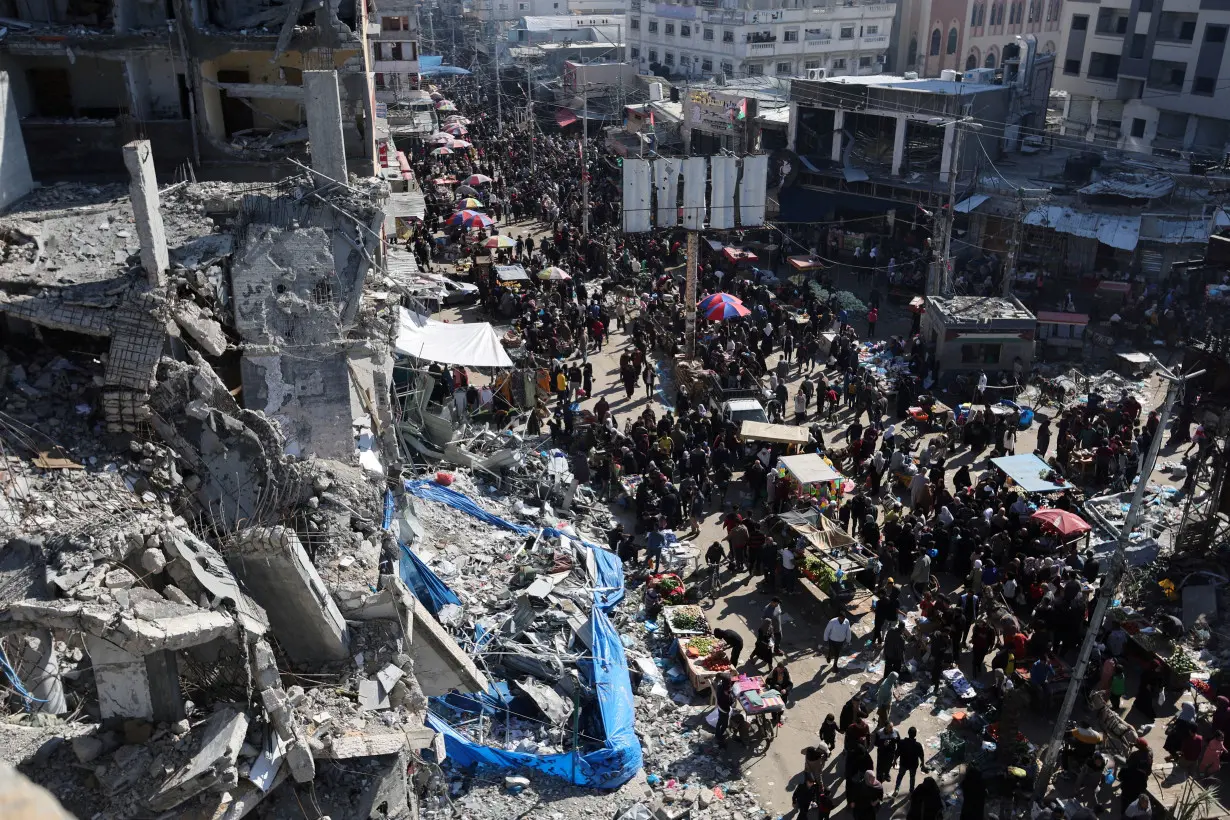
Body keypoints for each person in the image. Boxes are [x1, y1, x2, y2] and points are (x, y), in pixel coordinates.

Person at [894, 726, 925, 795]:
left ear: (908, 733)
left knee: (900, 776)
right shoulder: (918, 745)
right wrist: (922, 764)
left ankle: (896, 789)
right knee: (912, 777)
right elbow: (921, 756)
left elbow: (897, 753)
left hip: (903, 763)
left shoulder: (902, 742)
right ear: (915, 735)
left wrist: (894, 761)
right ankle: (911, 790)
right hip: (913, 765)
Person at [713, 675, 735, 748]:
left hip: (720, 707)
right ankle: (719, 736)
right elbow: (731, 703)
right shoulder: (726, 696)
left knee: (720, 721)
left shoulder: (719, 686)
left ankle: (717, 734)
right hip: (724, 710)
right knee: (724, 724)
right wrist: (732, 698)